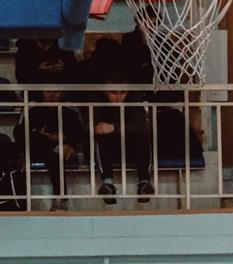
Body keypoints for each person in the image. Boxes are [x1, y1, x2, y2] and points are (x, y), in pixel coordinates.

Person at [13, 80, 85, 212]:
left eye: (55, 92)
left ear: (62, 93)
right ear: (42, 91)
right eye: (48, 91)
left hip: (62, 149)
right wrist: (40, 134)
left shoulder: (70, 108)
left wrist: (63, 137)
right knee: (47, 147)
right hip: (36, 147)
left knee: (55, 156)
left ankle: (60, 200)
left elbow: (80, 133)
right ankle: (60, 198)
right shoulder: (31, 106)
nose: (51, 95)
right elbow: (18, 132)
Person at [92, 70, 154, 204]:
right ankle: (107, 184)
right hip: (109, 149)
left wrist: (114, 128)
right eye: (114, 93)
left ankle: (144, 183)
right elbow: (94, 128)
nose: (118, 97)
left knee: (141, 138)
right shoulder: (98, 103)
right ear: (106, 92)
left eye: (122, 93)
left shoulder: (133, 102)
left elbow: (142, 125)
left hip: (130, 148)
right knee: (102, 138)